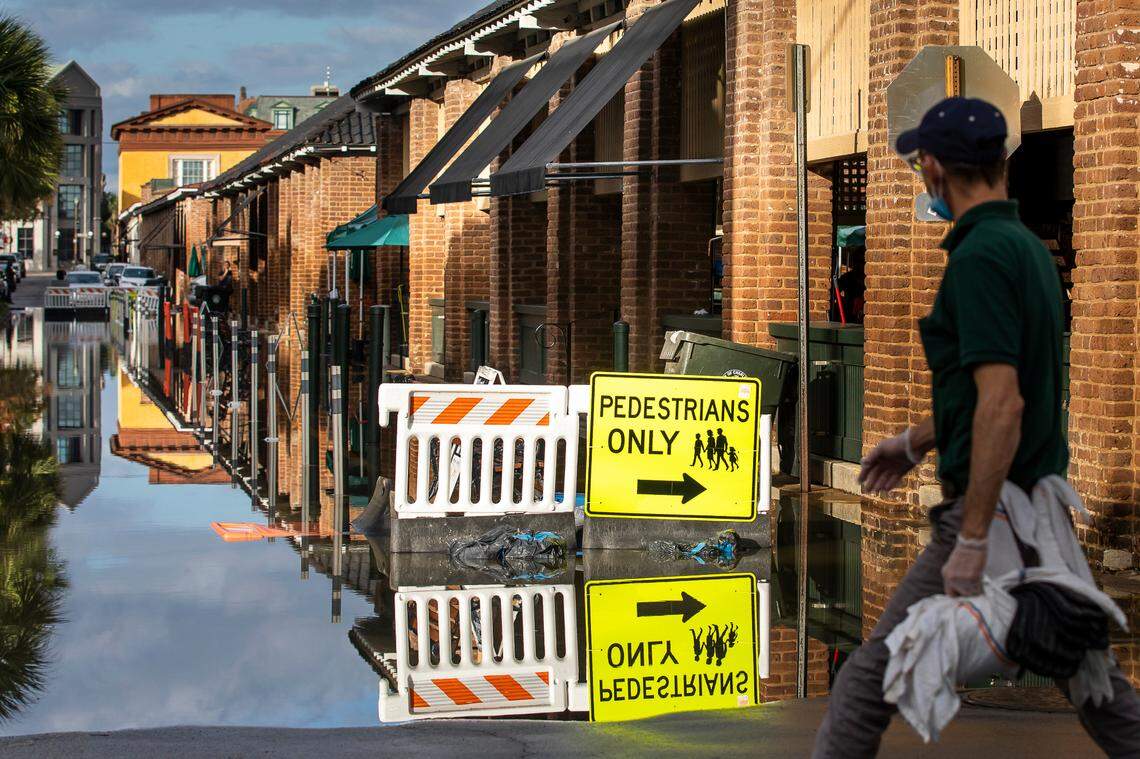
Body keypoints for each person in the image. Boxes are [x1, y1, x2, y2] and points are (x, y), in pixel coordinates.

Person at [812, 97, 1140, 757]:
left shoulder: (980, 257)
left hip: (998, 514)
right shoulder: (1024, 249)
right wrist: (912, 442)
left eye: (919, 161)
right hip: (1040, 515)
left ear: (933, 167)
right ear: (1001, 160)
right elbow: (989, 390)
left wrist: (970, 536)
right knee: (1099, 690)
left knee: (869, 677)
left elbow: (1002, 404)